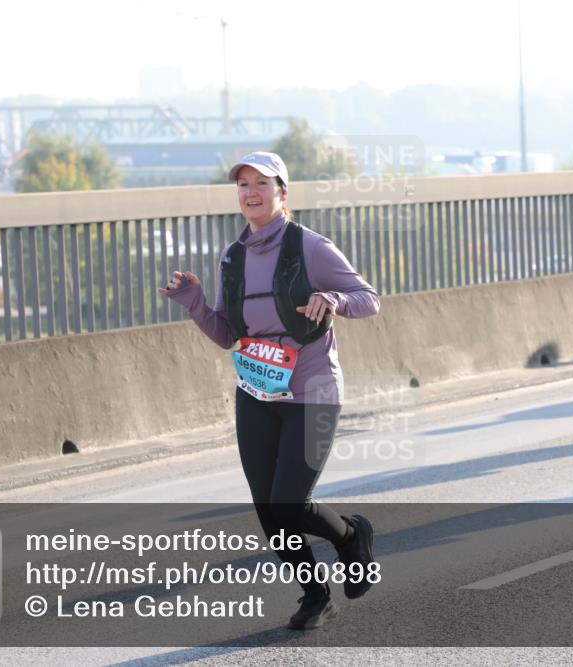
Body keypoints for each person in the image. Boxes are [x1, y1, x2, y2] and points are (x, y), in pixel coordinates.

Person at [158, 151, 381, 628]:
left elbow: (369, 300)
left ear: (282, 192)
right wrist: (194, 302)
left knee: (289, 502)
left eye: (262, 183)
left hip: (313, 389)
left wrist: (333, 298)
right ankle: (315, 595)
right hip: (256, 391)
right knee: (270, 511)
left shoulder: (312, 247)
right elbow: (226, 335)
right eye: (243, 184)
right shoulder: (232, 256)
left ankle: (349, 538)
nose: (251, 192)